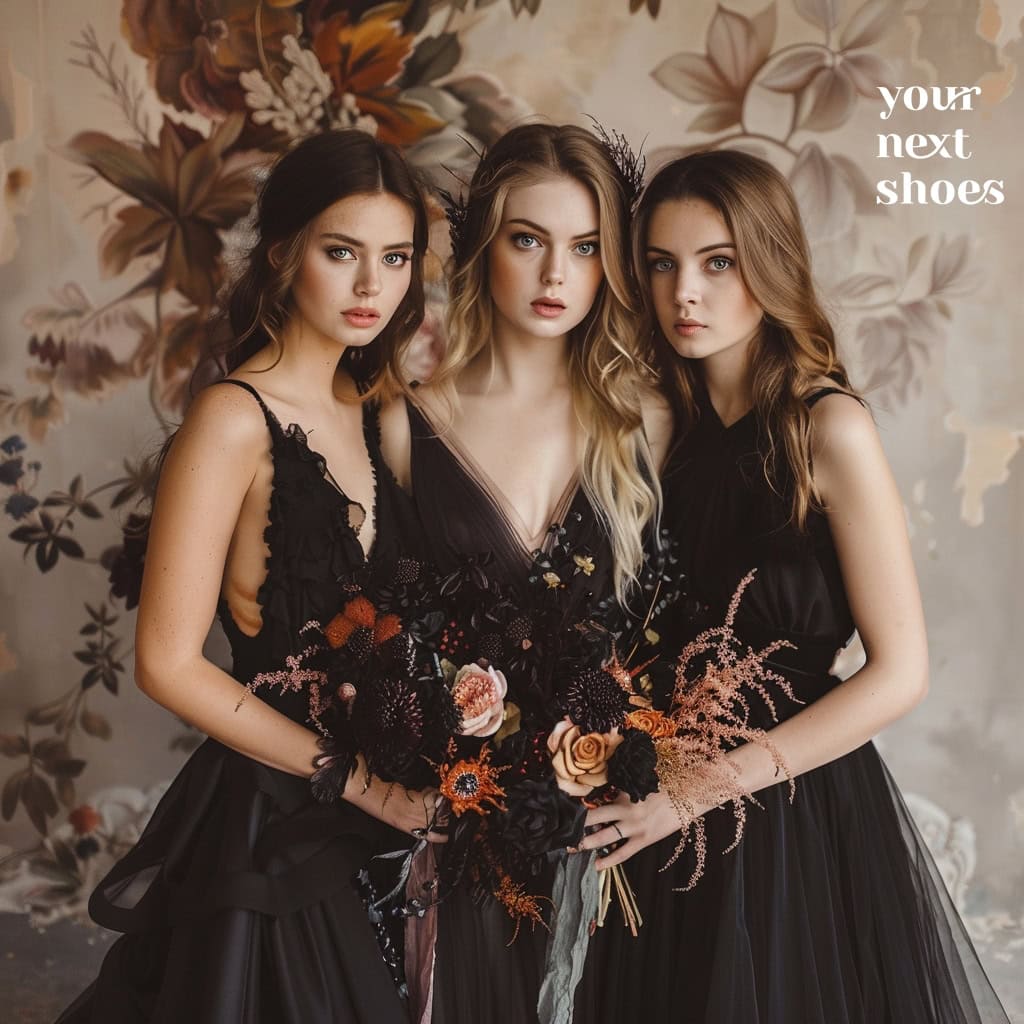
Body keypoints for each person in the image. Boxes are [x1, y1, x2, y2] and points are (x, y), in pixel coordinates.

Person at [572, 149, 1009, 1023]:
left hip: (790, 817)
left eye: (717, 262)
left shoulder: (828, 428)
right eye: (661, 264)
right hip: (654, 808)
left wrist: (697, 792)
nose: (684, 293)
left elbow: (900, 674)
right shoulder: (662, 431)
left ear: (769, 264)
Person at [57, 129, 445, 1024]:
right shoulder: (232, 420)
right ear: (283, 253)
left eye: (395, 258)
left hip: (389, 818)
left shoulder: (379, 414)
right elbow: (167, 662)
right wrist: (357, 783)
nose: (370, 287)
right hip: (280, 813)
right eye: (341, 252)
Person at [378, 121, 669, 1024]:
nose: (555, 277)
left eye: (585, 248)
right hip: (460, 829)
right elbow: (384, 625)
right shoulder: (405, 423)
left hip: (612, 837)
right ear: (480, 248)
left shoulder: (646, 423)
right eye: (528, 240)